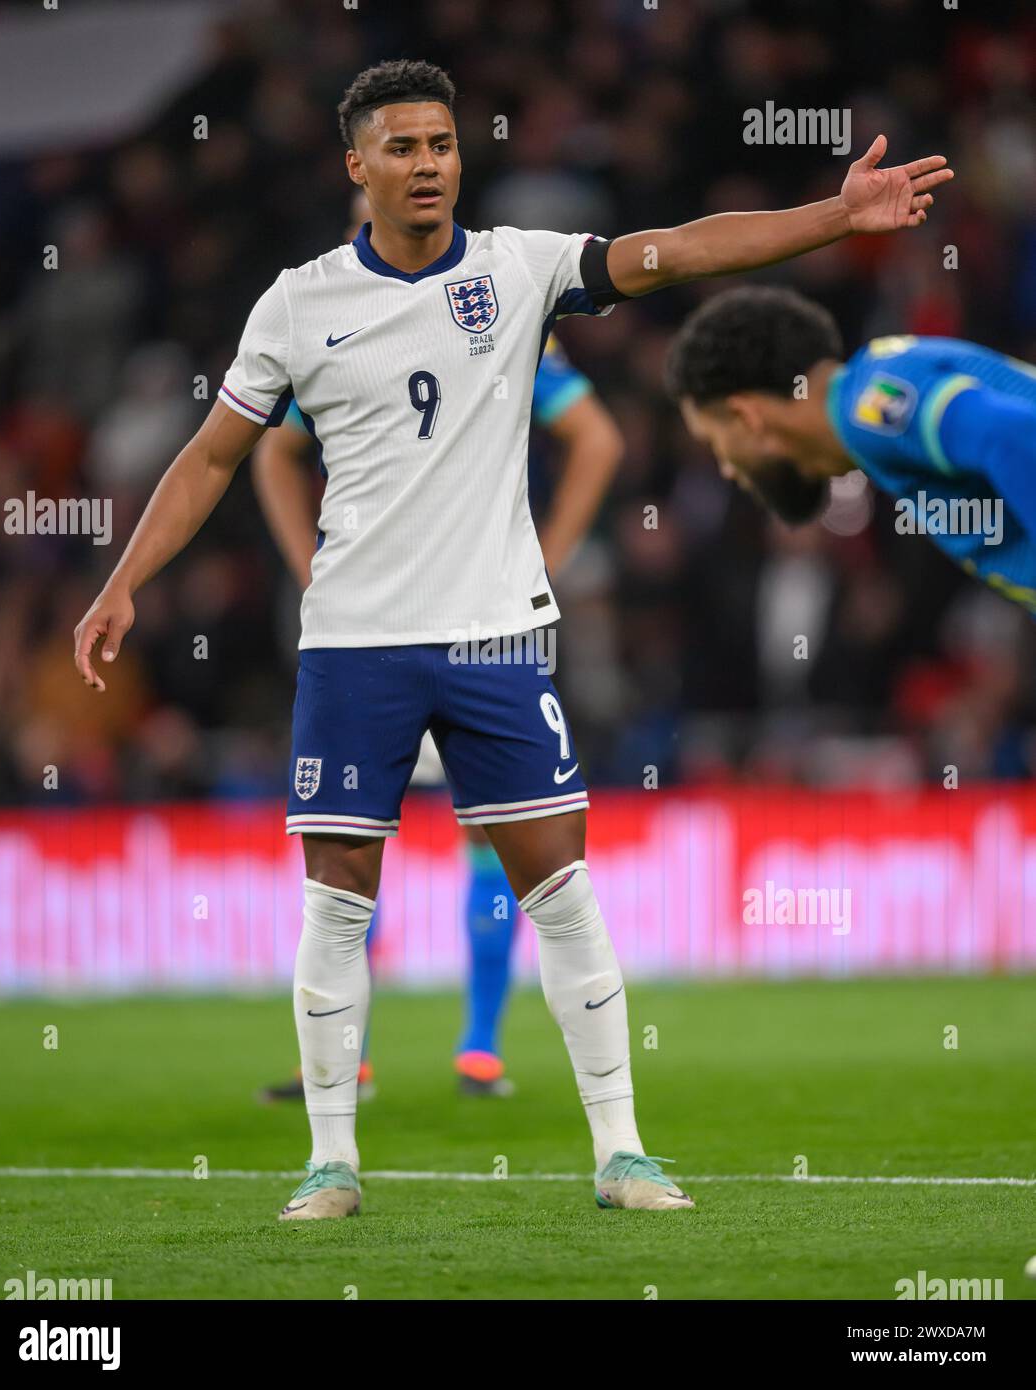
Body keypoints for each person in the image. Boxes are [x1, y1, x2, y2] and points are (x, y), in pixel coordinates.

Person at [74, 58, 952, 1219]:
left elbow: (679, 247)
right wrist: (123, 581)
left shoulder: (521, 267)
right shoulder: (296, 303)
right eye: (402, 147)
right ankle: (331, 1160)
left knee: (562, 890)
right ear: (358, 167)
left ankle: (621, 1152)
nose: (428, 163)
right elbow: (212, 460)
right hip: (354, 646)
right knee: (338, 895)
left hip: (494, 639)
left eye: (440, 143)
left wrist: (833, 219)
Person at [254, 292, 623, 1101]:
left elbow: (597, 440)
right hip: (377, 626)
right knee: (364, 843)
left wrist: (537, 565)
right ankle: (418, 1053)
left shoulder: (479, 317)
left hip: (454, 622)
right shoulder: (337, 315)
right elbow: (266, 452)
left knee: (421, 841)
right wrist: (310, 573)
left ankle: (466, 1048)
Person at [665, 285, 1036, 613]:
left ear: (746, 415)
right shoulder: (873, 404)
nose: (728, 469)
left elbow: (1011, 434)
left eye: (714, 443)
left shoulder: (871, 407)